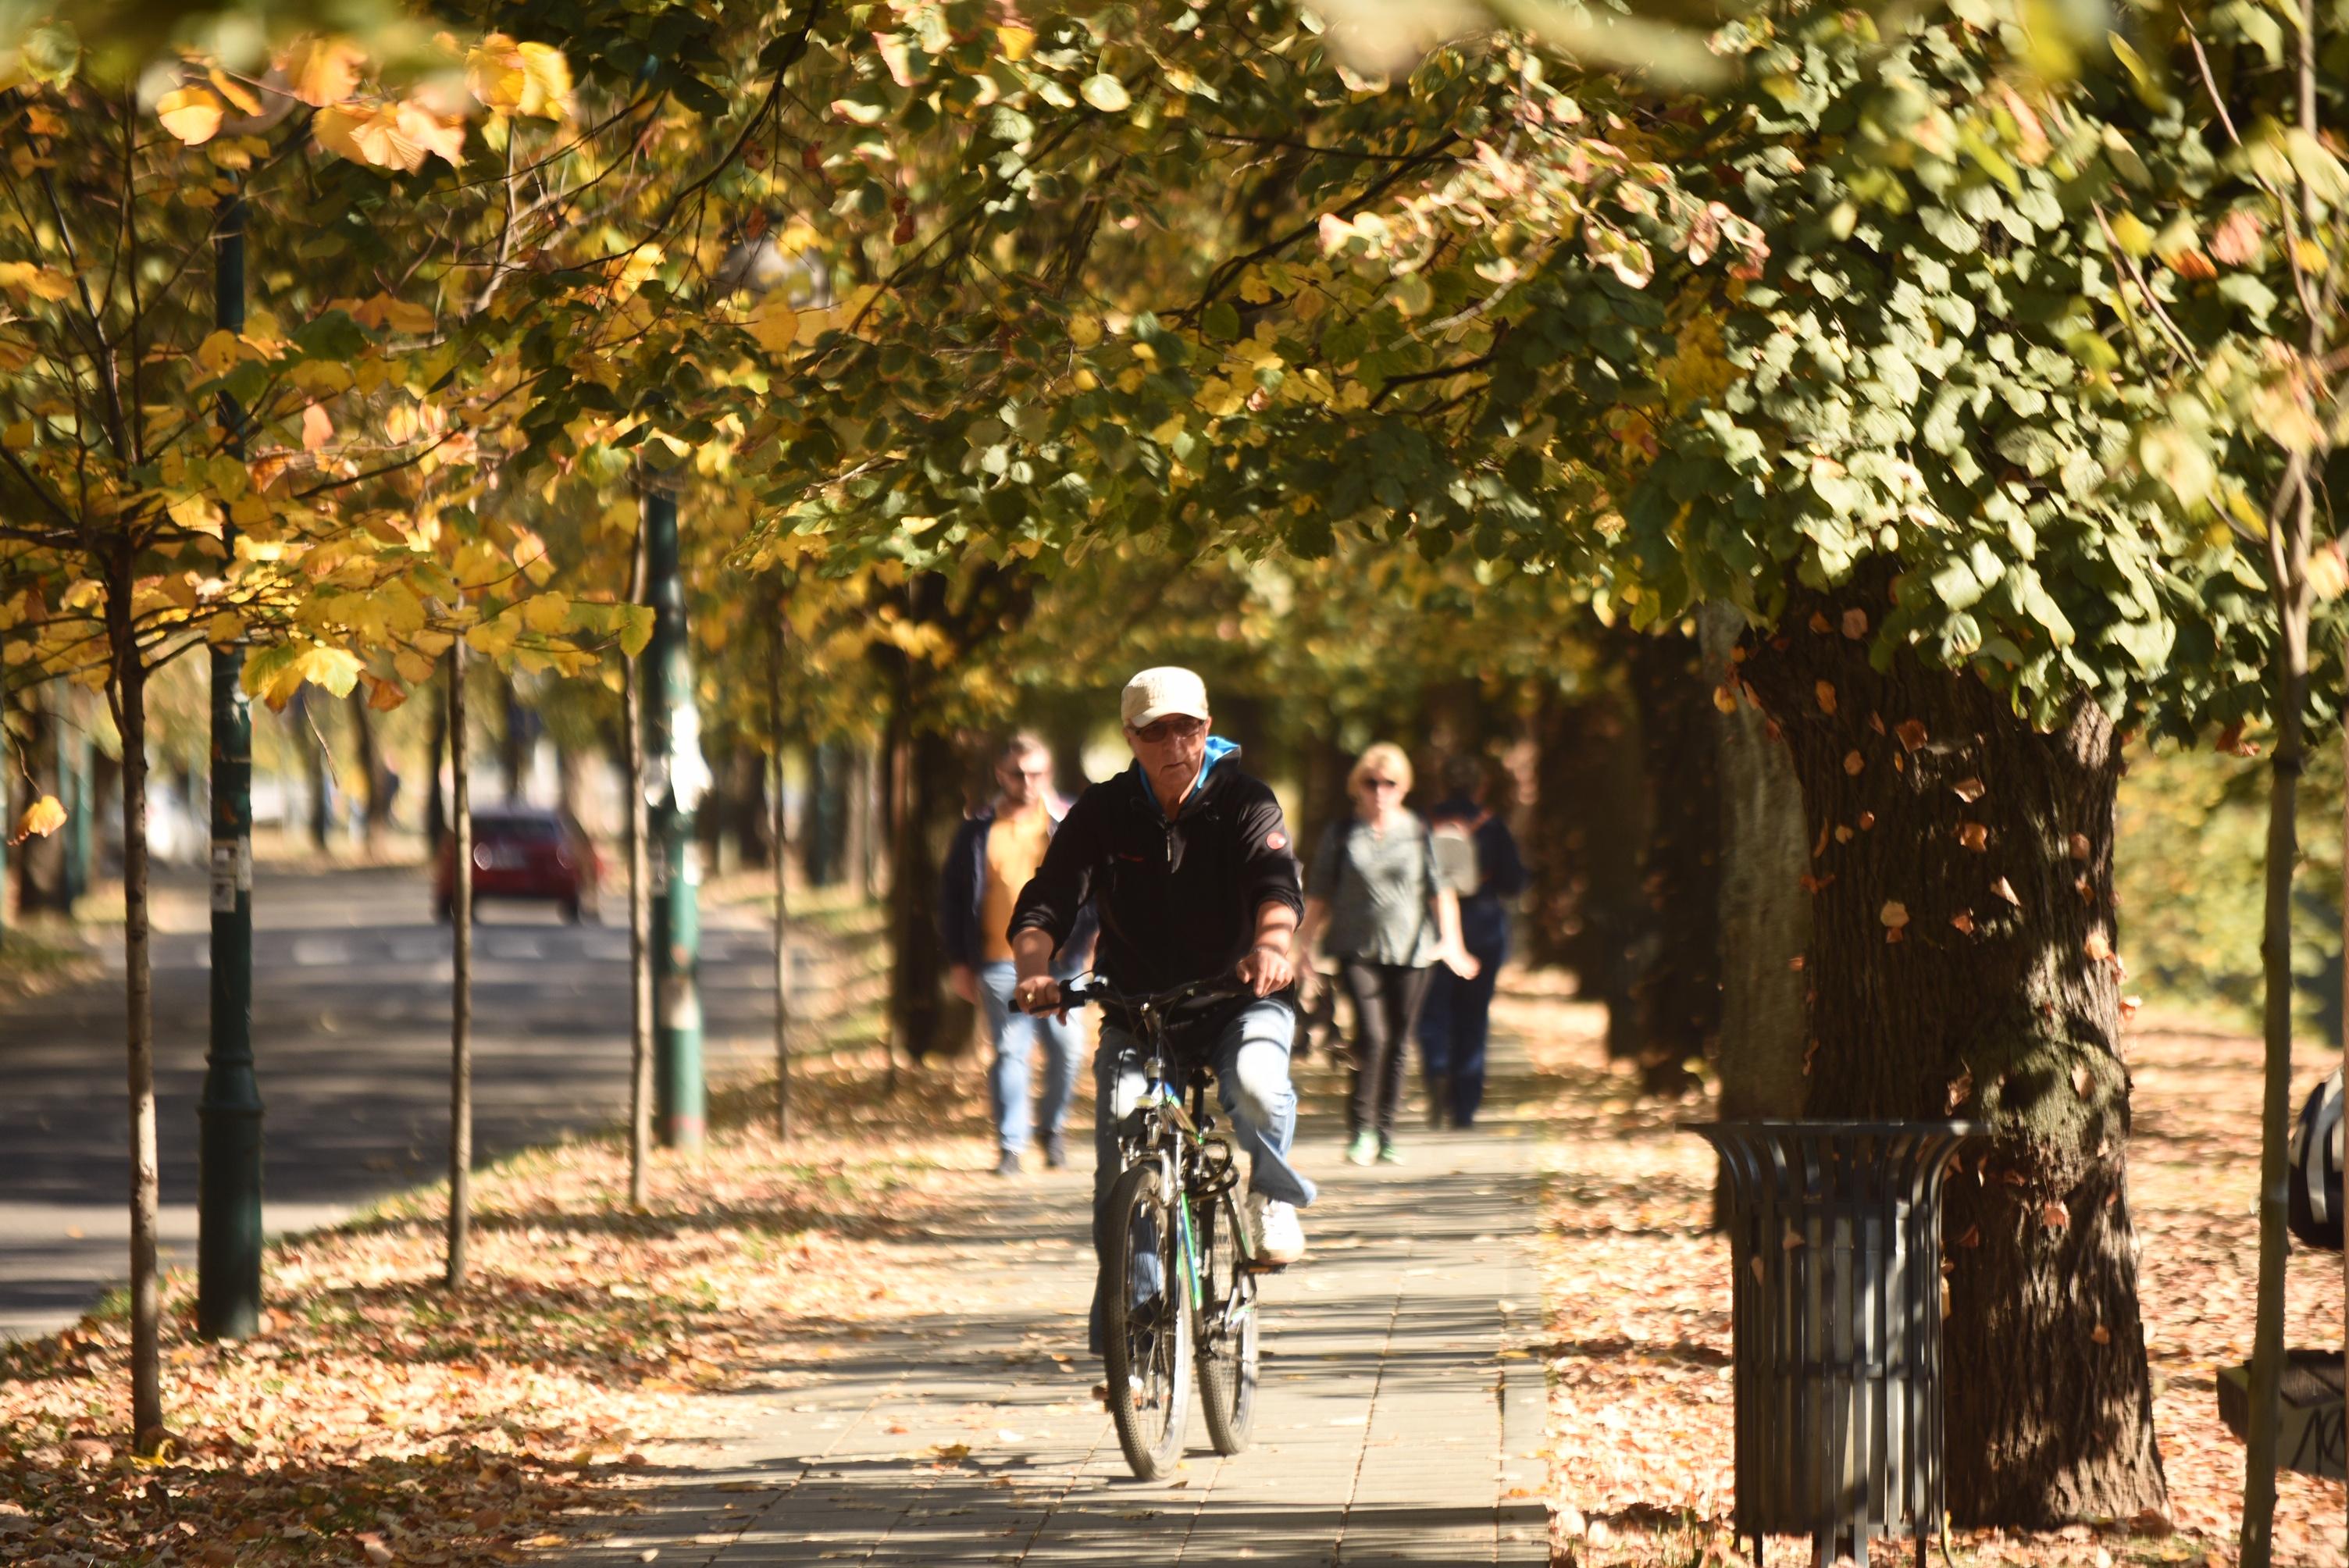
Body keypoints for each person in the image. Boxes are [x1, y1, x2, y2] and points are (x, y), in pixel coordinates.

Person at [1007, 666, 1314, 1296]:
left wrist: (1271, 948)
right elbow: (1049, 897)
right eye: (1156, 732)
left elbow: (1276, 884)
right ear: (1130, 736)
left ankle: (1273, 1195)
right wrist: (1035, 971)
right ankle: (1135, 1327)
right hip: (1139, 1008)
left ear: (1207, 729)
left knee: (1257, 1086)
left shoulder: (1244, 801)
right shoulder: (1105, 811)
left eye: (1189, 729)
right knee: (1121, 1148)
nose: (1175, 746)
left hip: (1240, 997)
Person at [1296, 743, 1478, 1166]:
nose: (1380, 790)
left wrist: (1453, 942)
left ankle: (1386, 1132)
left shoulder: (1419, 832)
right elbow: (1319, 894)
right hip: (1355, 950)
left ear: (1404, 787)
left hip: (1412, 953)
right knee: (1372, 1036)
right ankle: (1360, 1130)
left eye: (1389, 783)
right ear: (1357, 785)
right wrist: (1301, 948)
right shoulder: (1342, 834)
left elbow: (1441, 892)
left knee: (1398, 1041)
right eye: (1371, 782)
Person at [939, 734, 1096, 1176]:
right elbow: (952, 898)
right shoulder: (976, 830)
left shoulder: (1068, 823)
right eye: (1017, 773)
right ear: (1000, 774)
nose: (1026, 782)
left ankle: (1052, 1128)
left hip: (1063, 962)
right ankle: (1011, 1145)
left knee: (1066, 1049)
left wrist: (1088, 944)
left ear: (1048, 774)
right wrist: (958, 962)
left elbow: (1095, 888)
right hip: (996, 959)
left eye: (1036, 773)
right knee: (1011, 1050)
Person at [1416, 755, 1526, 1129]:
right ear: (1480, 787)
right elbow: (1514, 882)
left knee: (1434, 1012)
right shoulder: (1492, 827)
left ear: (1443, 785)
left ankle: (1437, 1067)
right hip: (1483, 928)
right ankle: (1464, 1105)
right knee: (1473, 1017)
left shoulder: (1424, 823)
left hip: (1432, 928)